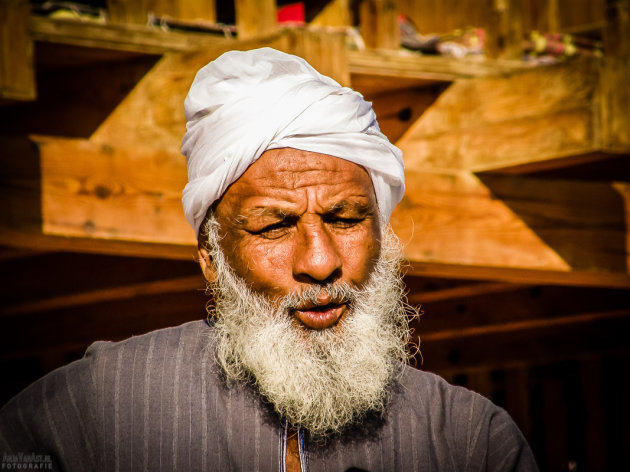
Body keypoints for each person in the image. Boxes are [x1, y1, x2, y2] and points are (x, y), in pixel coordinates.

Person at [0, 48, 538, 471]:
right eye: (275, 226)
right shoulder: (105, 404)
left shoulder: (469, 441)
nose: (321, 262)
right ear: (212, 258)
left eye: (346, 219)